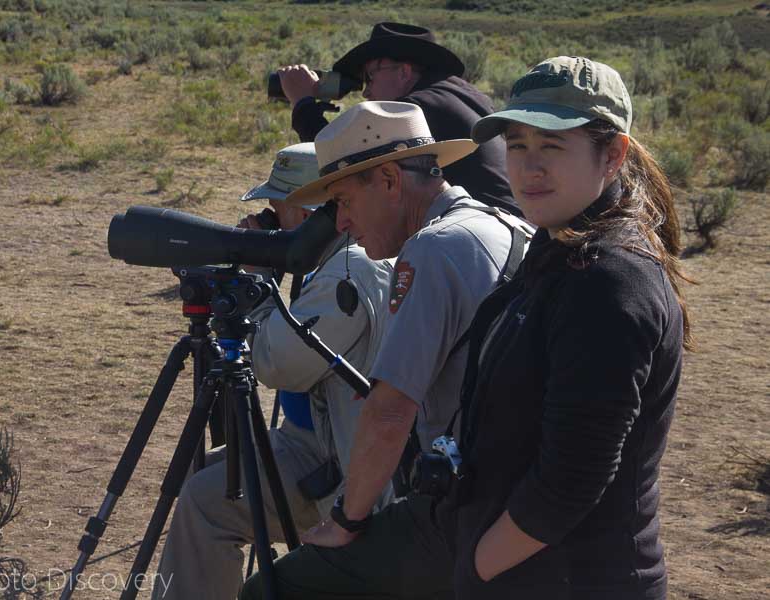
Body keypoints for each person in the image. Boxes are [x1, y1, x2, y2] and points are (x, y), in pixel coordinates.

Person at [246, 57, 691, 600]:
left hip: (561, 575)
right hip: (519, 553)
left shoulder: (608, 281)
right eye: (518, 145)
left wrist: (475, 570)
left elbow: (570, 482)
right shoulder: (557, 249)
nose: (529, 167)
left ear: (613, 155)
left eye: (552, 146)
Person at [241, 101, 529, 600]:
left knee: (273, 589)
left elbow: (392, 411)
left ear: (391, 181)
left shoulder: (432, 249)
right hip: (513, 494)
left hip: (467, 506)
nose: (343, 223)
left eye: (345, 201)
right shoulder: (502, 224)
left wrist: (347, 519)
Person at [150, 142, 394, 600]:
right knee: (197, 475)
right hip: (318, 439)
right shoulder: (334, 256)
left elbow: (278, 365)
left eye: (275, 208)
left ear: (305, 213)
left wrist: (259, 286)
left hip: (343, 463)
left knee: (206, 503)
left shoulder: (348, 269)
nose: (267, 220)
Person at [277, 22, 521, 217]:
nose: (365, 91)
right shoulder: (465, 95)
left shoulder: (417, 108)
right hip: (509, 229)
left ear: (404, 71)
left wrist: (302, 102)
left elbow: (345, 171)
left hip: (479, 236)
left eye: (370, 77)